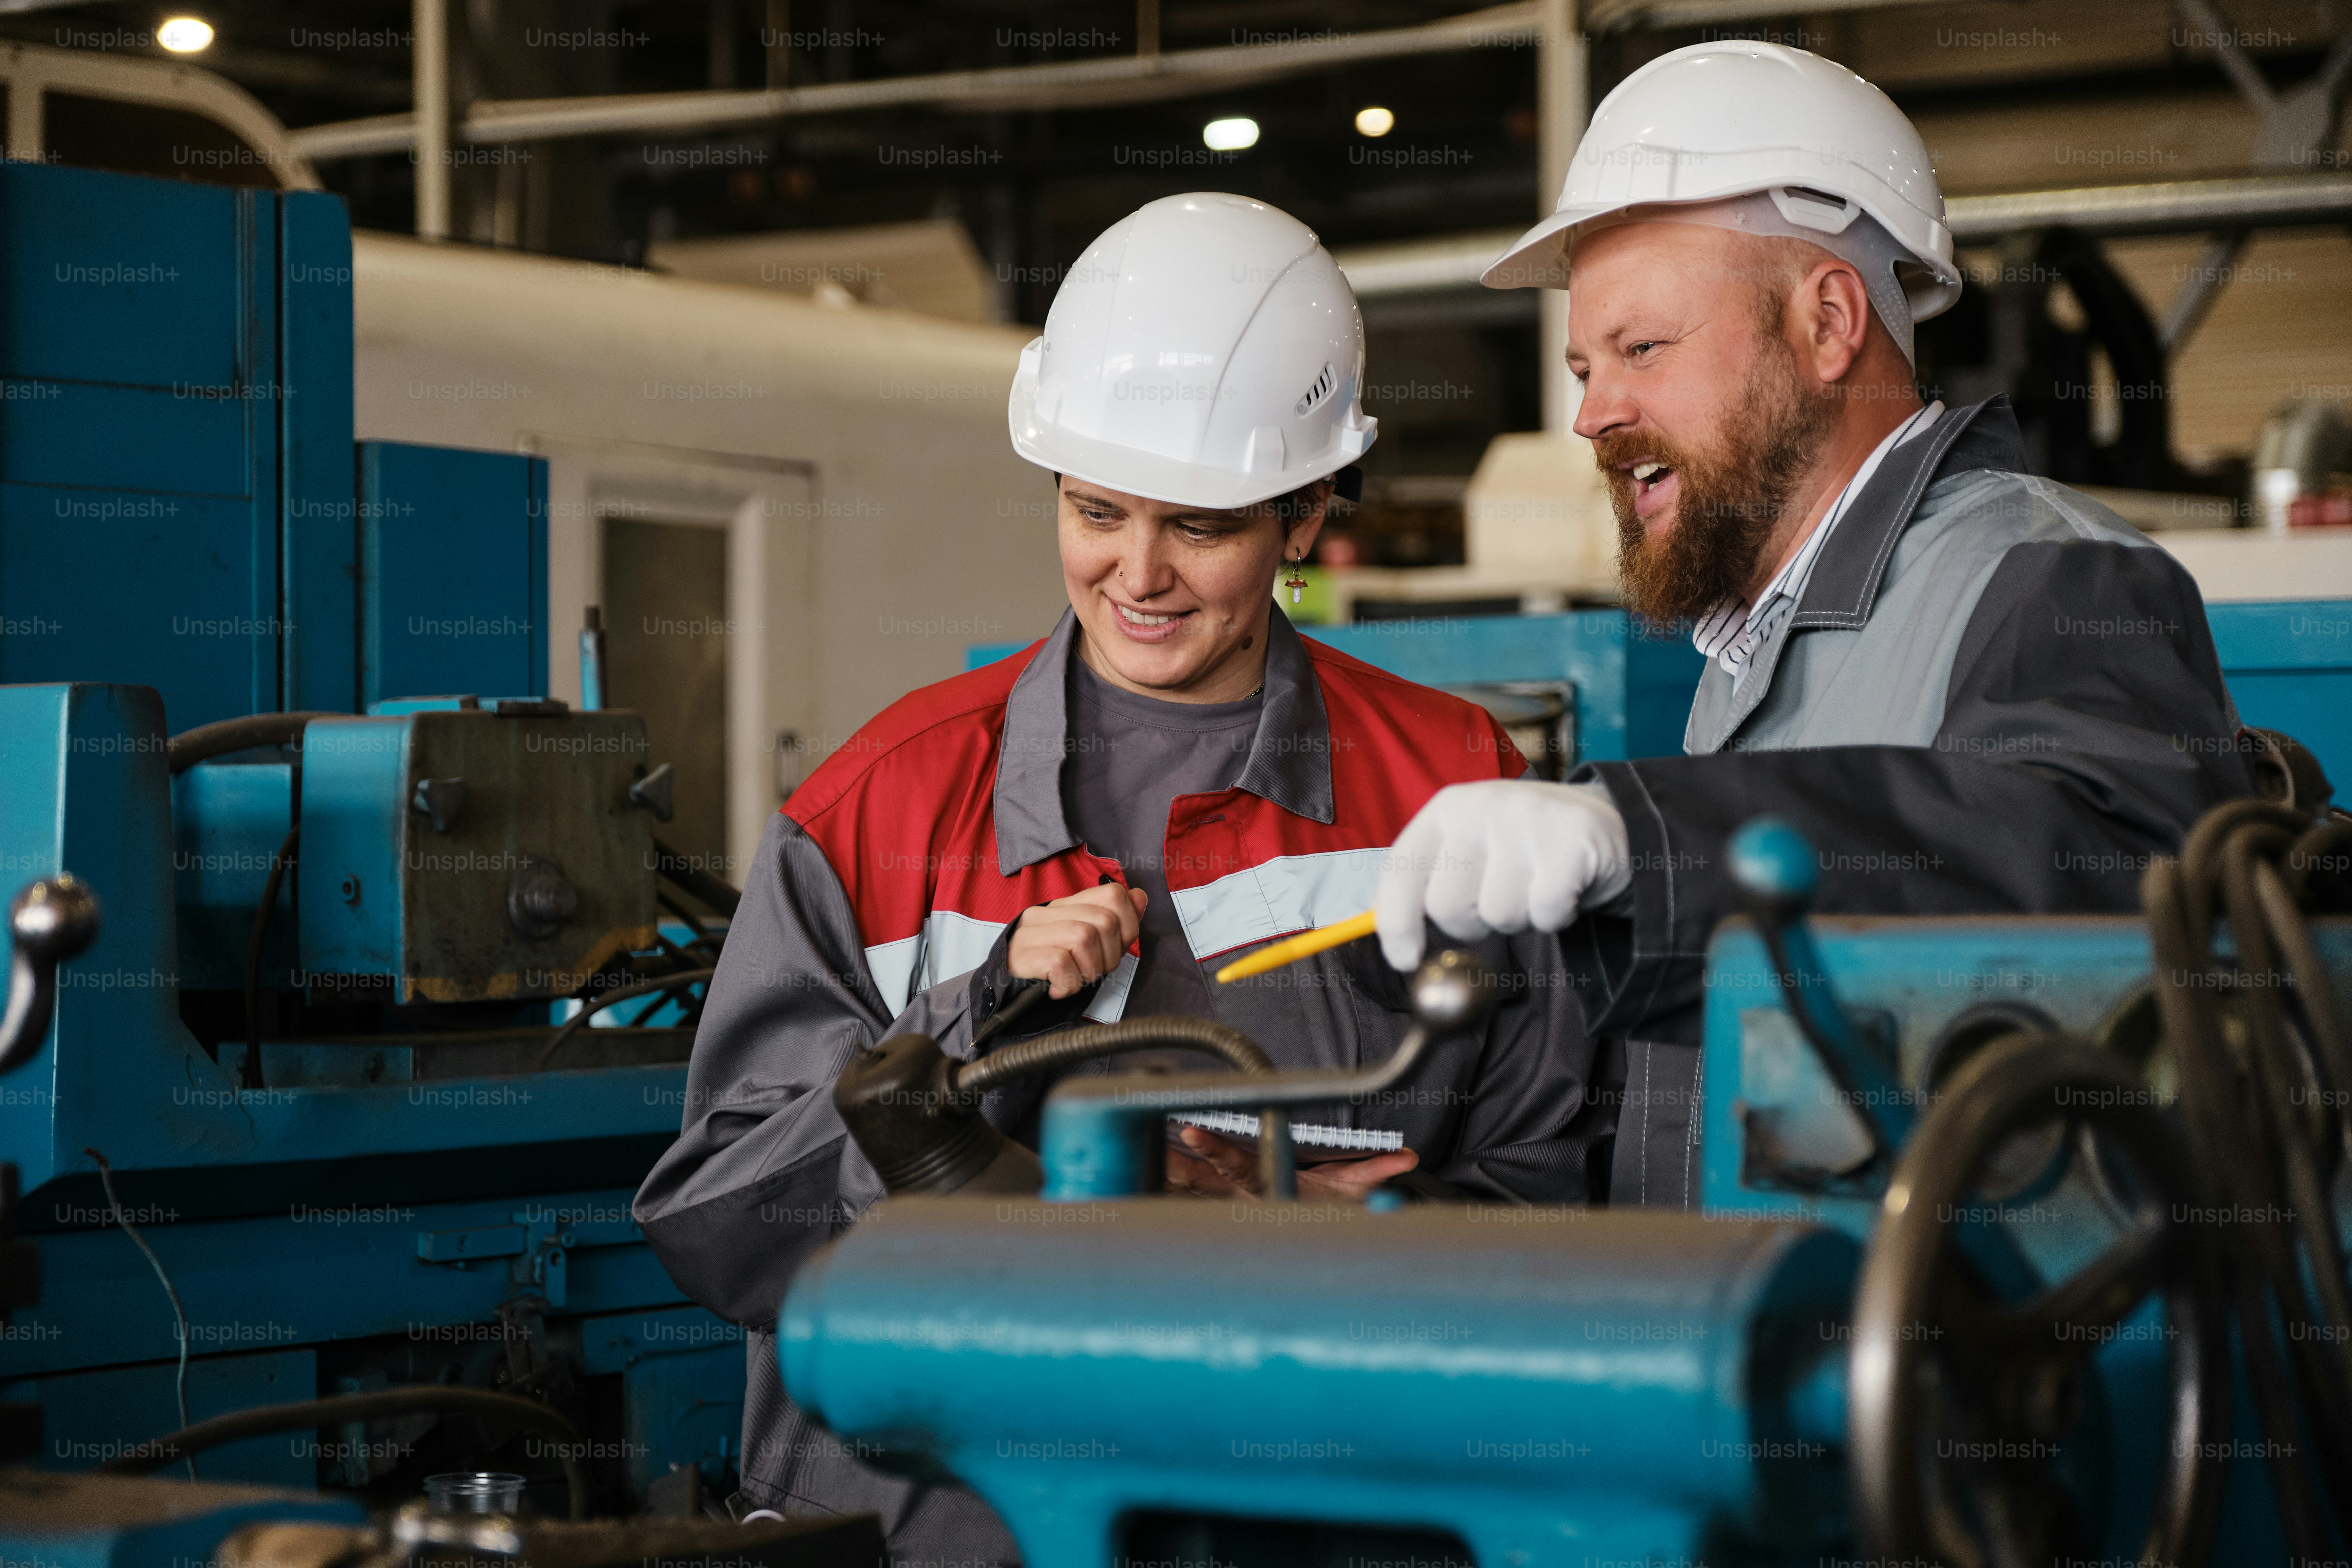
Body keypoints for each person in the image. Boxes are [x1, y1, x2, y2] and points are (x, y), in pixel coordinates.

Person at [634, 193, 1608, 1561]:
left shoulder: (1453, 790)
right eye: (1098, 511)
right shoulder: (883, 806)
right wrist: (970, 1023)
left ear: (1307, 509)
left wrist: (1348, 1231)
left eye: (1200, 526)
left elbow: (1552, 1204)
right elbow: (723, 1229)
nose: (1137, 574)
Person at [1374, 40, 2255, 1209]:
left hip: (1962, 1364)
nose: (1592, 413)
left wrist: (1644, 840)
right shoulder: (1746, 653)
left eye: (1643, 349)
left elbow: (2103, 862)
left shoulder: (2056, 577)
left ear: (1831, 322)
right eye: (1588, 364)